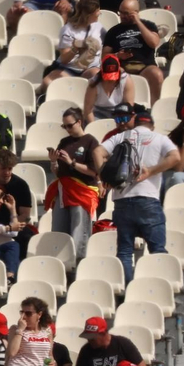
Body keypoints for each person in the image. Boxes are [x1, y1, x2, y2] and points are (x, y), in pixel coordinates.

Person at [105, 105, 182, 282]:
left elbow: (97, 151)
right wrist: (152, 171)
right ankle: (160, 288)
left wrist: (105, 175)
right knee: (158, 250)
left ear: (135, 123)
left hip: (122, 199)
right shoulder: (160, 138)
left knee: (125, 251)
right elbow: (175, 158)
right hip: (147, 199)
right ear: (152, 126)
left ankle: (130, 289)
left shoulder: (120, 137)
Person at [48, 108, 106, 259]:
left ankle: (78, 263)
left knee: (78, 231)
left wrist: (71, 162)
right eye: (64, 126)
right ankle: (61, 262)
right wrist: (54, 162)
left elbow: (94, 171)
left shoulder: (90, 141)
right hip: (64, 190)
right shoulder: (64, 142)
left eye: (69, 125)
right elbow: (59, 171)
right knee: (59, 229)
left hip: (82, 191)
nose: (67, 129)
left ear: (79, 122)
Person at [104, 0, 167, 102]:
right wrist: (117, 55)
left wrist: (138, 22)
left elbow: (154, 43)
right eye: (121, 13)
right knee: (116, 72)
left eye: (126, 13)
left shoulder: (148, 25)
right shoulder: (113, 31)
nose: (122, 16)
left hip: (145, 66)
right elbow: (104, 56)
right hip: (122, 67)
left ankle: (154, 107)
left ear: (136, 12)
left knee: (156, 74)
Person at [72, 316, 144, 366]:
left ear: (103, 334)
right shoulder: (86, 350)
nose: (89, 340)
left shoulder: (123, 344)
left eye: (92, 338)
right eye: (88, 337)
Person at [44, 0, 106, 85]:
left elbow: (108, 45)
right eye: (97, 11)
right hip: (69, 69)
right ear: (88, 15)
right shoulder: (68, 30)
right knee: (47, 82)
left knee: (96, 75)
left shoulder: (98, 26)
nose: (99, 13)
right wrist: (75, 48)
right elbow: (64, 59)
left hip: (90, 68)